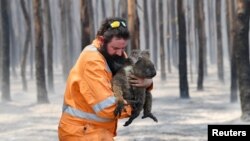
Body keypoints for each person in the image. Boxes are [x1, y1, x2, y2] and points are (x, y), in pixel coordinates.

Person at [58, 17, 153, 141]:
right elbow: (107, 107)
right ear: (102, 40)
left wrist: (148, 83)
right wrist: (137, 105)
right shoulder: (92, 61)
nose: (121, 53)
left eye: (123, 48)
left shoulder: (114, 54)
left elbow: (133, 79)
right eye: (115, 48)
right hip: (80, 133)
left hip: (97, 131)